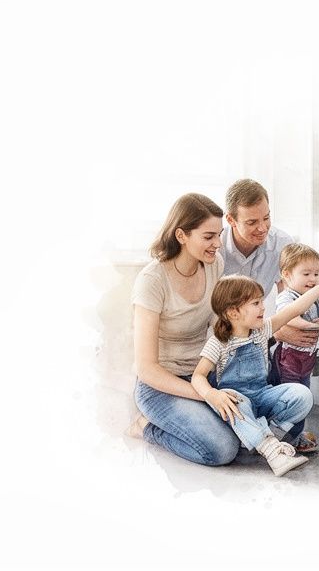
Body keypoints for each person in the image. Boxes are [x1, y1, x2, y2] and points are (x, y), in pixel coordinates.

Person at [126, 193, 242, 466]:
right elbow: (146, 368)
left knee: (250, 436)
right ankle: (146, 427)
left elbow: (219, 327)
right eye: (208, 236)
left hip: (200, 375)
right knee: (223, 449)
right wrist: (207, 394)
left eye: (219, 235)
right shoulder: (152, 281)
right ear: (181, 235)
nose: (218, 244)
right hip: (160, 385)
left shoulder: (214, 265)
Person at [189, 274, 319, 476]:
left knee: (303, 395)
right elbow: (198, 376)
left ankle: (265, 435)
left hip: (262, 396)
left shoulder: (262, 330)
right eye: (256, 303)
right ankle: (271, 450)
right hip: (237, 404)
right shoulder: (218, 342)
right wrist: (212, 395)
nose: (262, 307)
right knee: (236, 401)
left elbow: (295, 308)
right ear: (233, 312)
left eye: (261, 302)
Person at [220, 178, 319, 350]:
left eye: (266, 218)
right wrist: (274, 331)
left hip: (258, 334)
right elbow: (213, 314)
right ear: (231, 220)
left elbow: (289, 292)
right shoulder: (216, 248)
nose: (262, 228)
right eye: (252, 222)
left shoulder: (281, 243)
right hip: (220, 335)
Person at [267, 243, 319, 453]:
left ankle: (294, 436)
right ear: (287, 275)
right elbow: (288, 317)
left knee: (304, 398)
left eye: (316, 274)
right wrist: (311, 326)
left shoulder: (313, 299)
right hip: (288, 360)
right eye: (306, 274)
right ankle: (282, 437)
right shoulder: (287, 296)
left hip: (306, 361)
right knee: (291, 399)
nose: (313, 279)